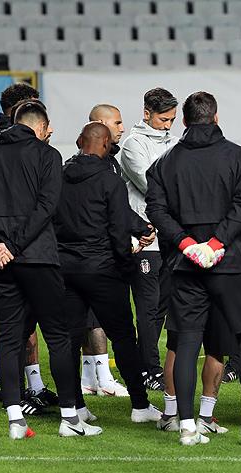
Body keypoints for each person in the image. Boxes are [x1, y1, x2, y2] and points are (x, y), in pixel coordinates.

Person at [146, 91, 241, 445]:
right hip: (230, 262)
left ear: (184, 121)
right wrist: (216, 244)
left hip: (185, 267)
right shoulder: (238, 156)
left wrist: (187, 244)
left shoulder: (165, 162)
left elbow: (156, 210)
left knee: (186, 341)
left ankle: (186, 426)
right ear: (215, 118)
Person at [0, 100, 99, 439]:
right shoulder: (48, 155)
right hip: (38, 258)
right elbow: (46, 208)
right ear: (41, 127)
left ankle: (15, 420)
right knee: (58, 335)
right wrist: (14, 246)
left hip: (0, 262)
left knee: (11, 336)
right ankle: (69, 419)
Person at [54, 122, 162, 424]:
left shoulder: (59, 175)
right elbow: (117, 227)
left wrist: (139, 225)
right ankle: (140, 405)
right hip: (102, 269)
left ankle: (75, 406)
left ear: (79, 141)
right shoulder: (109, 179)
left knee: (68, 339)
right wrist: (126, 267)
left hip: (66, 269)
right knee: (124, 338)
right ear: (104, 145)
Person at [0, 83, 57, 412]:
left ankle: (28, 385)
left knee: (17, 321)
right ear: (18, 110)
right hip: (20, 248)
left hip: (0, 247)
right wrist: (0, 245)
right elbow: (42, 205)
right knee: (5, 318)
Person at [78, 104, 142, 397]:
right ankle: (103, 378)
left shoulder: (83, 165)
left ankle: (89, 377)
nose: (122, 128)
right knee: (103, 320)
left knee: (87, 318)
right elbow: (113, 213)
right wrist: (131, 240)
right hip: (100, 256)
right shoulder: (101, 167)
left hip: (78, 256)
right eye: (117, 122)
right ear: (101, 125)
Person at [120, 88, 179, 392]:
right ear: (146, 114)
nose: (167, 125)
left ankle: (145, 365)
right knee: (147, 307)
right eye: (163, 119)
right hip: (145, 238)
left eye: (171, 120)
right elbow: (149, 184)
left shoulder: (174, 143)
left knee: (161, 307)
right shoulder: (133, 144)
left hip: (169, 237)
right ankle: (149, 369)